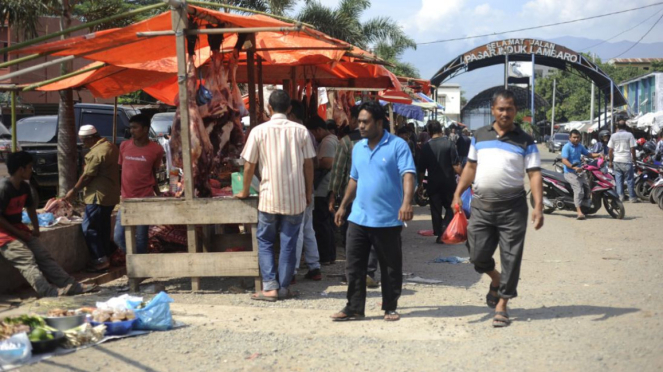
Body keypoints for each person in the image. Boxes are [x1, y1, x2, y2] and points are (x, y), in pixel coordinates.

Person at [453, 89, 544, 328]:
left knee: (511, 257)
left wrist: (539, 206)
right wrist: (457, 192)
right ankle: (496, 278)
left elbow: (534, 173)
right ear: (493, 110)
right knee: (476, 254)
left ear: (515, 111)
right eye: (501, 108)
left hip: (513, 207)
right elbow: (470, 168)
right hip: (481, 205)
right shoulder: (479, 135)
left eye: (510, 108)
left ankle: (502, 304)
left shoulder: (525, 140)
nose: (505, 113)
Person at [331, 101, 416, 322]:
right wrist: (342, 206)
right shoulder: (357, 147)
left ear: (379, 122)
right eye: (359, 121)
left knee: (390, 267)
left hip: (387, 219)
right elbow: (354, 179)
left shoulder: (398, 145)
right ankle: (354, 307)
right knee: (354, 266)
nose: (360, 126)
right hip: (358, 217)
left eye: (365, 122)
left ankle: (390, 306)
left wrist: (407, 203)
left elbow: (408, 175)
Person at [237, 90, 316, 301]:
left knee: (265, 242)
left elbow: (248, 165)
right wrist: (308, 192)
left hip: (268, 198)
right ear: (289, 109)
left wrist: (244, 191)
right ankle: (283, 288)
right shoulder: (301, 131)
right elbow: (309, 165)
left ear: (269, 109)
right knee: (289, 242)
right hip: (295, 198)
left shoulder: (258, 131)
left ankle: (270, 287)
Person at [0, 152, 96, 297]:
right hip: (4, 234)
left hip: (19, 230)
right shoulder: (4, 188)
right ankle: (48, 292)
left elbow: (31, 208)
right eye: (30, 167)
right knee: (26, 258)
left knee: (44, 255)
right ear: (21, 169)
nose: (32, 170)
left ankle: (71, 285)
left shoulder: (24, 187)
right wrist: (20, 234)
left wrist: (36, 229)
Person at [328, 105, 380, 288]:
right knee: (373, 234)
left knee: (351, 236)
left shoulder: (347, 142)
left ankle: (353, 273)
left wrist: (333, 196)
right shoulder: (382, 141)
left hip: (351, 197)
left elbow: (339, 171)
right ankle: (369, 272)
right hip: (375, 196)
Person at [64, 125, 120, 272]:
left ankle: (100, 259)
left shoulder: (96, 152)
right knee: (103, 226)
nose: (83, 144)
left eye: (84, 141)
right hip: (110, 194)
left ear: (90, 138)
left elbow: (88, 176)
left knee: (88, 227)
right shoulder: (110, 146)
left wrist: (74, 191)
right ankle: (108, 255)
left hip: (98, 195)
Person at [113, 114, 164, 255]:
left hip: (145, 199)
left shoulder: (156, 150)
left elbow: (153, 172)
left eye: (135, 127)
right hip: (126, 200)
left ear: (145, 129)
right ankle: (137, 261)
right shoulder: (124, 146)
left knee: (141, 237)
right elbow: (120, 170)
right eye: (131, 128)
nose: (132, 131)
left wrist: (158, 193)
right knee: (118, 237)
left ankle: (140, 268)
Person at [288, 100, 321, 281]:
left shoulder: (298, 133)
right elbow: (312, 163)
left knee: (298, 230)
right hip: (308, 187)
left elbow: (309, 163)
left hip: (300, 188)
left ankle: (292, 271)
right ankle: (314, 267)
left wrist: (307, 190)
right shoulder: (307, 133)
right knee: (307, 228)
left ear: (291, 114)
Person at [417, 120, 461, 242]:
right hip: (449, 183)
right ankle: (444, 226)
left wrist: (420, 184)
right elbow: (456, 166)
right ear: (441, 130)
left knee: (435, 209)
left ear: (429, 132)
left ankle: (440, 232)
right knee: (451, 207)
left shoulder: (426, 147)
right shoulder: (449, 144)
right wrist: (464, 177)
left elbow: (421, 169)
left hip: (432, 183)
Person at [306, 115, 338, 265]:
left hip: (323, 187)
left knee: (321, 223)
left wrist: (310, 164)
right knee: (324, 223)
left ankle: (325, 256)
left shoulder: (327, 142)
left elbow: (327, 162)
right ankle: (329, 255)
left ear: (318, 130)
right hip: (325, 186)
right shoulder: (331, 140)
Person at [561, 129, 603, 220]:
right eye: (574, 137)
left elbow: (588, 154)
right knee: (579, 190)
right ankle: (579, 212)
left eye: (578, 137)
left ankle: (585, 206)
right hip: (569, 172)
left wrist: (599, 155)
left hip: (579, 172)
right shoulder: (566, 147)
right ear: (570, 138)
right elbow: (564, 160)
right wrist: (574, 167)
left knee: (587, 188)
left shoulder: (580, 146)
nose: (576, 139)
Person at [608, 119, 639, 203]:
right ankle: (632, 197)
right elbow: (633, 148)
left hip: (616, 160)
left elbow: (610, 150)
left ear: (617, 126)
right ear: (626, 126)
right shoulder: (629, 135)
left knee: (618, 180)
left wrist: (610, 162)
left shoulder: (613, 136)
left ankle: (620, 197)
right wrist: (634, 160)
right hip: (627, 160)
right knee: (629, 180)